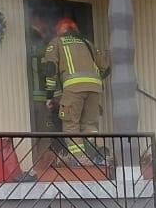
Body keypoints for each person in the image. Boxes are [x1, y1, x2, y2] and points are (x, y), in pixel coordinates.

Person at [39, 18, 110, 164]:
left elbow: (50, 69)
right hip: (94, 89)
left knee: (71, 124)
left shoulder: (56, 43)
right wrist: (93, 79)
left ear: (59, 31)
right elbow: (106, 67)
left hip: (73, 88)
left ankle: (80, 160)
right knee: (90, 125)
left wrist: (50, 96)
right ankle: (93, 156)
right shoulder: (88, 43)